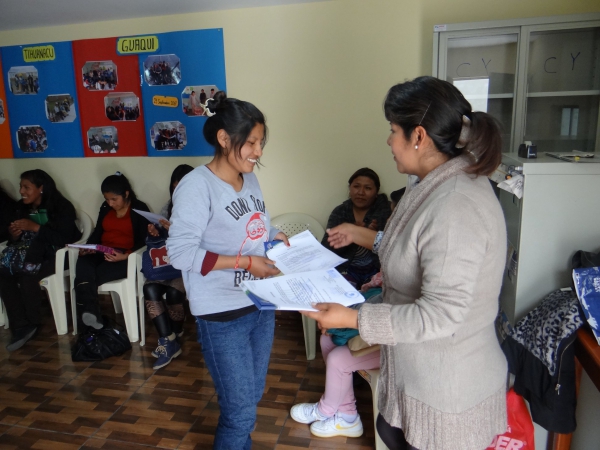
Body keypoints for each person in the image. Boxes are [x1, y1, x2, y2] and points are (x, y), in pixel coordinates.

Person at [303, 76, 508, 450]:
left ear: (418, 136)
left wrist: (352, 318)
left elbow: (441, 315)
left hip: (448, 393)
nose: (388, 140)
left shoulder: (455, 205)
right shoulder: (428, 184)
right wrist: (359, 233)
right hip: (416, 376)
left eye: (393, 130)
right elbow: (412, 252)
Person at [167, 91, 289, 450]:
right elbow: (180, 253)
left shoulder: (248, 177)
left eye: (261, 142)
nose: (259, 151)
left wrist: (274, 235)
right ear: (224, 139)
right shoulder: (196, 186)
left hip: (259, 303)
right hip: (221, 313)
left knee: (250, 396)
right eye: (251, 142)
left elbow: (253, 228)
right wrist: (248, 263)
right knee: (239, 412)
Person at [0, 170, 81, 351]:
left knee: (27, 275)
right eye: (21, 186)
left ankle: (33, 323)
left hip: (57, 256)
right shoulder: (21, 207)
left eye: (26, 187)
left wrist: (36, 227)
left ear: (41, 188)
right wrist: (14, 235)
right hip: (31, 255)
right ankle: (20, 326)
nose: (21, 191)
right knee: (5, 275)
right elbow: (18, 240)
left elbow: (64, 239)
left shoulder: (61, 206)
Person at [74, 172, 150, 331]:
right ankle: (92, 316)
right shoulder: (105, 208)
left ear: (126, 194)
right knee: (82, 264)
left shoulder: (139, 208)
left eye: (114, 199)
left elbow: (144, 240)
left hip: (126, 255)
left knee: (88, 278)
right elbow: (98, 232)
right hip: (102, 250)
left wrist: (125, 255)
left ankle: (90, 319)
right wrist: (88, 247)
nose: (110, 203)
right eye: (107, 199)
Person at [144, 164, 193, 370]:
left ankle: (175, 333)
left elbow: (205, 241)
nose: (177, 191)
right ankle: (168, 338)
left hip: (186, 265)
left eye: (182, 186)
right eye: (174, 187)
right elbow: (159, 233)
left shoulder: (202, 207)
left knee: (174, 294)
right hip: (165, 262)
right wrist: (155, 230)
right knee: (150, 288)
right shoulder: (168, 206)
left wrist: (177, 231)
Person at [322, 168, 391, 288]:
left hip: (377, 270)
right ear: (350, 189)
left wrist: (371, 235)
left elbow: (396, 246)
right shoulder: (341, 212)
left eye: (368, 188)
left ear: (376, 192)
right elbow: (327, 250)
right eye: (356, 186)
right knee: (339, 293)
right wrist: (351, 237)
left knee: (374, 298)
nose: (361, 192)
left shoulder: (386, 210)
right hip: (348, 269)